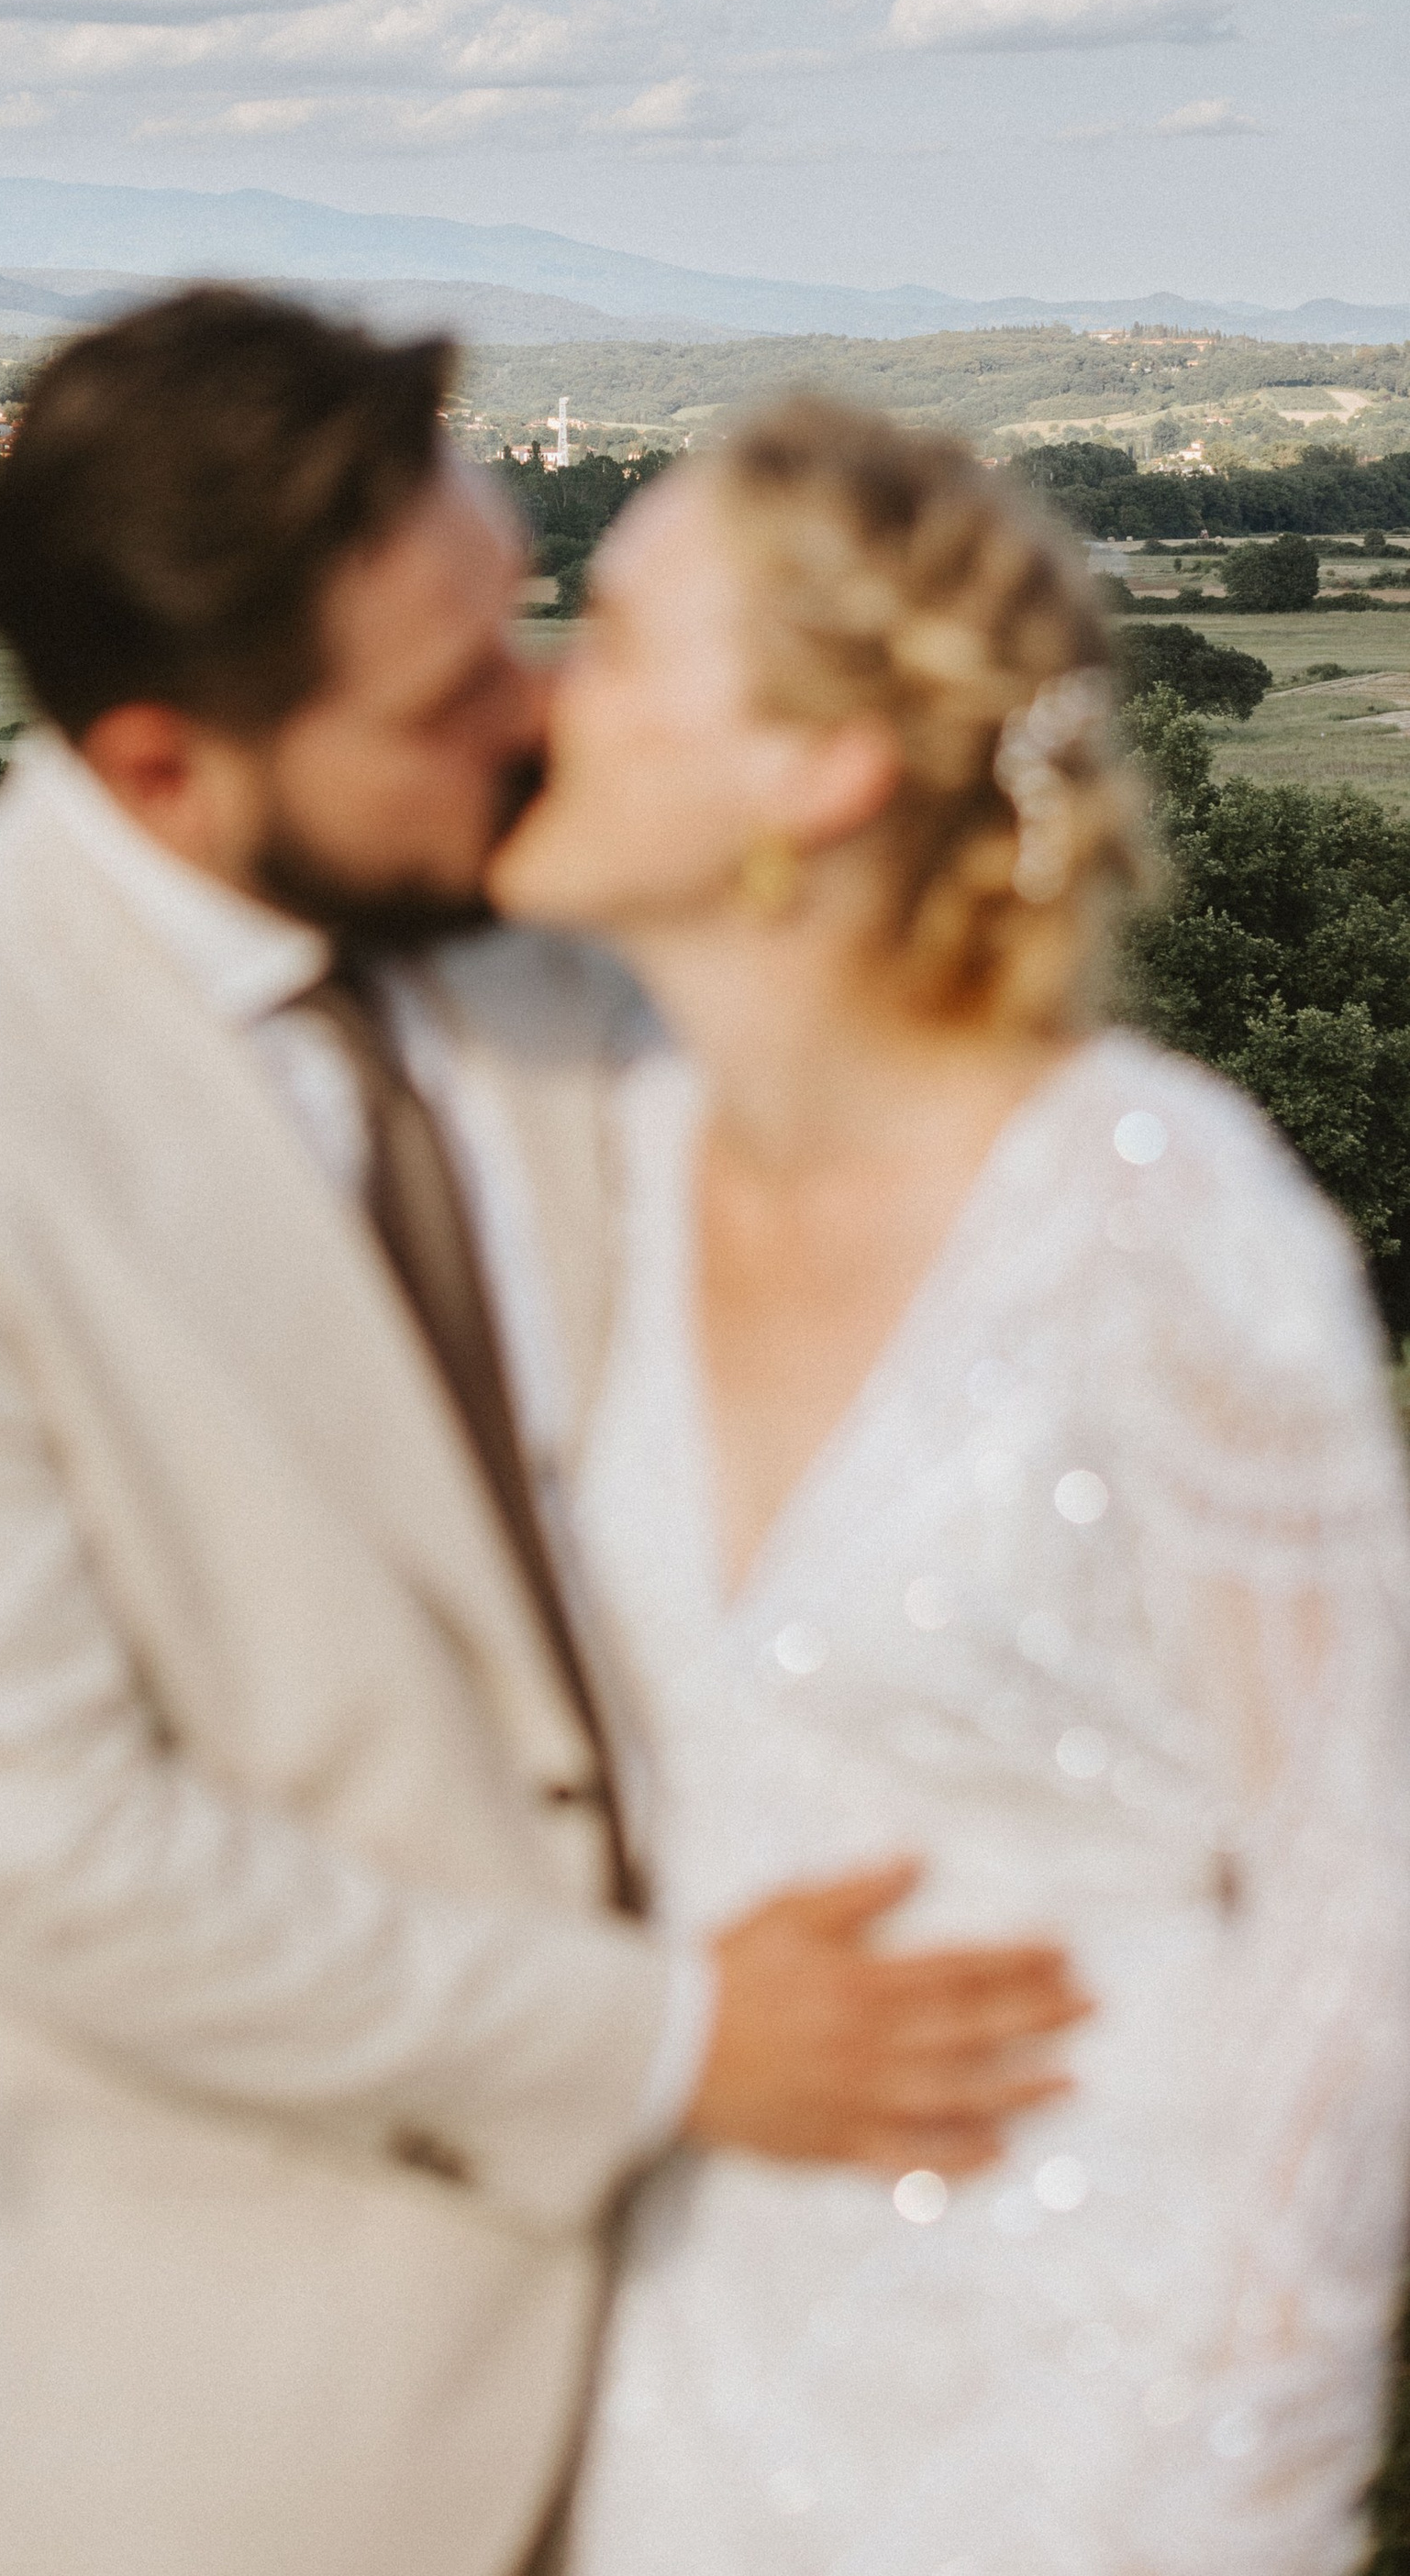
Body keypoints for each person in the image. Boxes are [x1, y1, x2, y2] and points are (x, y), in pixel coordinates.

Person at [0, 297, 1084, 2576]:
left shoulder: (564, 932)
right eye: (441, 703)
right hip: (222, 2412)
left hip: (767, 2334)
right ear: (154, 766)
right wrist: (668, 2051)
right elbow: (47, 1852)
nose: (532, 719)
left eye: (516, 617)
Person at [490, 395, 1410, 2575]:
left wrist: (1225, 2474)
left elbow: (1352, 1921)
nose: (538, 691)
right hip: (651, 2388)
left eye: (611, 640)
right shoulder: (558, 1178)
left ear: (814, 772)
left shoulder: (1157, 1226)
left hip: (1080, 2422)